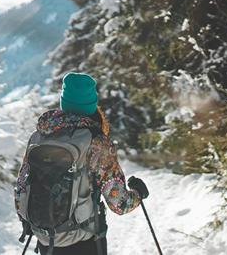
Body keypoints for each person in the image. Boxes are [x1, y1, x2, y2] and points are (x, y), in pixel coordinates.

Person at [14, 72, 149, 255]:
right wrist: (138, 193)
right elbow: (120, 203)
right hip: (84, 241)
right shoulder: (97, 142)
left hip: (46, 239)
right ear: (92, 105)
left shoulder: (39, 136)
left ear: (64, 101)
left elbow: (22, 186)